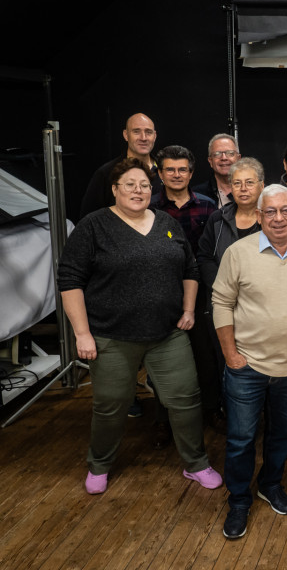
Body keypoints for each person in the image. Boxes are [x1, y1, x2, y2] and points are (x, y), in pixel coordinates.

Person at [58, 157, 222, 496]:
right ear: (115, 189)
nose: (138, 190)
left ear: (153, 189)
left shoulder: (165, 222)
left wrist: (189, 310)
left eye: (145, 185)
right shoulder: (93, 226)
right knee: (111, 404)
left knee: (185, 400)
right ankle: (99, 464)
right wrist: (82, 333)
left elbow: (190, 269)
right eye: (130, 184)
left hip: (168, 334)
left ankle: (196, 463)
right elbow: (69, 279)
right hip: (111, 336)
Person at [212, 184, 287, 540]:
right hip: (246, 366)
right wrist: (231, 354)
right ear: (260, 216)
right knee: (241, 438)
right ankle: (238, 499)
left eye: (286, 211)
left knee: (283, 434)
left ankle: (270, 484)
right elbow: (221, 303)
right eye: (271, 212)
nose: (279, 218)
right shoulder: (238, 252)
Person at [149, 145, 220, 445]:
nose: (176, 175)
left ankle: (211, 410)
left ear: (191, 173)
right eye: (170, 169)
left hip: (201, 292)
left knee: (206, 354)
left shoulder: (208, 207)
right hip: (161, 292)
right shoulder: (149, 207)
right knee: (163, 358)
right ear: (160, 173)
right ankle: (166, 418)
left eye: (182, 170)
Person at [196, 158, 265, 374]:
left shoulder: (273, 219)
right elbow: (204, 257)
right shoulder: (218, 218)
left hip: (260, 309)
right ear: (230, 188)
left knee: (262, 369)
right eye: (237, 183)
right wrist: (223, 286)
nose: (243, 189)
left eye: (249, 182)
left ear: (262, 185)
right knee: (226, 364)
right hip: (223, 306)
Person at [80, 113, 159, 219]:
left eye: (148, 132)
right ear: (126, 135)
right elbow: (88, 219)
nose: (143, 138)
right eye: (136, 132)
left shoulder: (167, 171)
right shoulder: (107, 173)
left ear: (155, 136)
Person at [195, 133, 241, 208]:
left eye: (230, 153)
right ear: (210, 161)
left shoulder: (256, 191)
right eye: (217, 154)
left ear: (238, 158)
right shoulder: (197, 195)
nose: (224, 158)